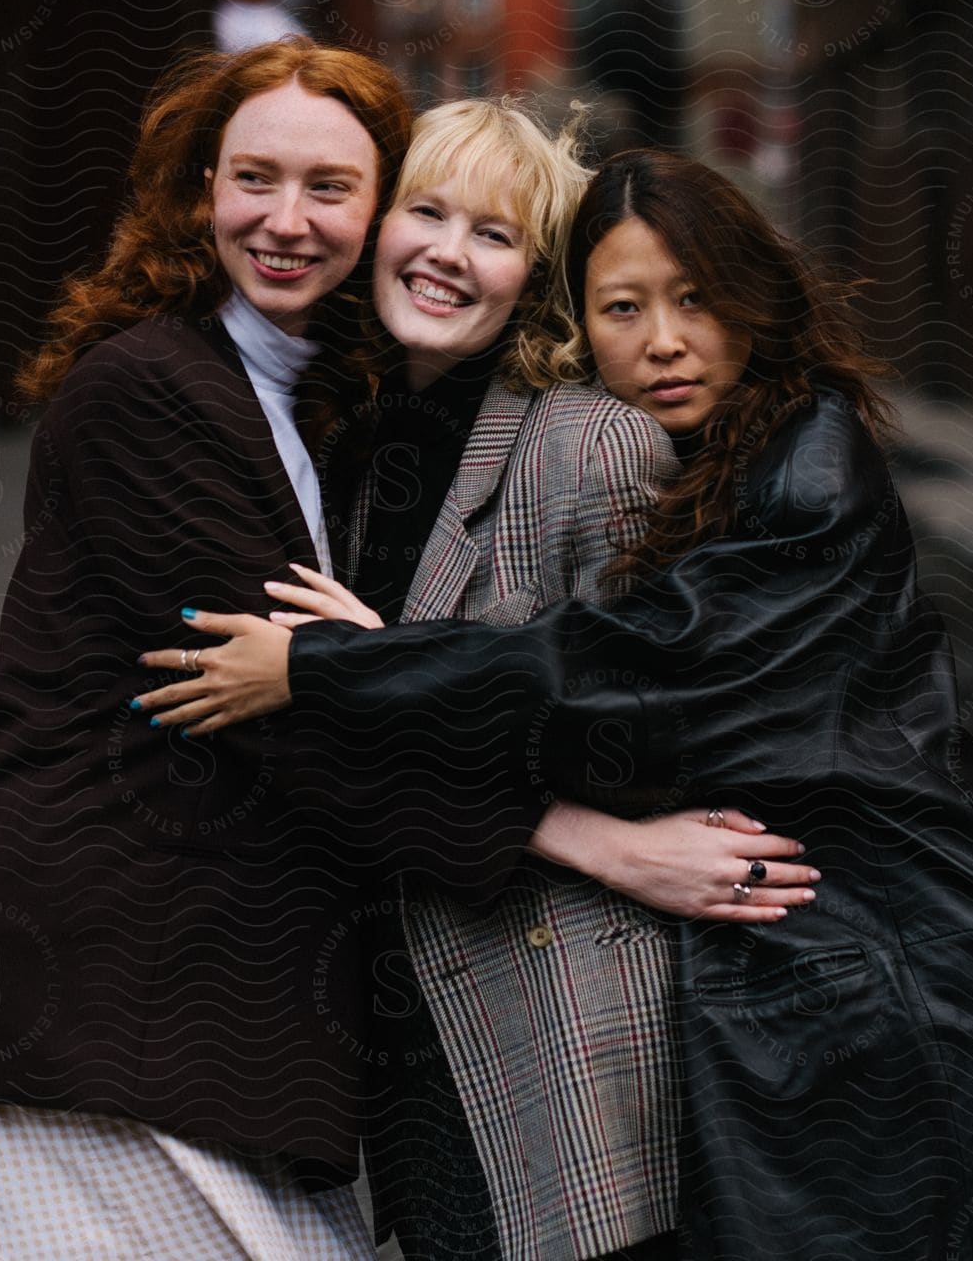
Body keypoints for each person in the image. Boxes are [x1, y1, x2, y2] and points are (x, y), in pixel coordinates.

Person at [146, 150, 973, 1260]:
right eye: (623, 306)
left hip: (896, 980)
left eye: (697, 298)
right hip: (803, 959)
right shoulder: (699, 457)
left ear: (758, 295)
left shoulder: (808, 466)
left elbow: (629, 672)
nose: (664, 339)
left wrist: (332, 667)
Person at [137, 112, 820, 1261]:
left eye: (495, 233)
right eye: (427, 211)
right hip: (403, 994)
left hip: (549, 1009)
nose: (450, 251)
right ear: (380, 227)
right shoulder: (340, 447)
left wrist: (372, 668)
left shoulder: (588, 442)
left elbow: (641, 735)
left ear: (533, 278)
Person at [0, 38, 417, 1259]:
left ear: (386, 208)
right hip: (100, 995)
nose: (286, 220)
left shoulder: (325, 401)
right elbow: (305, 712)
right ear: (199, 190)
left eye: (331, 187)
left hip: (205, 1014)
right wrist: (602, 841)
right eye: (255, 178)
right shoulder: (147, 392)